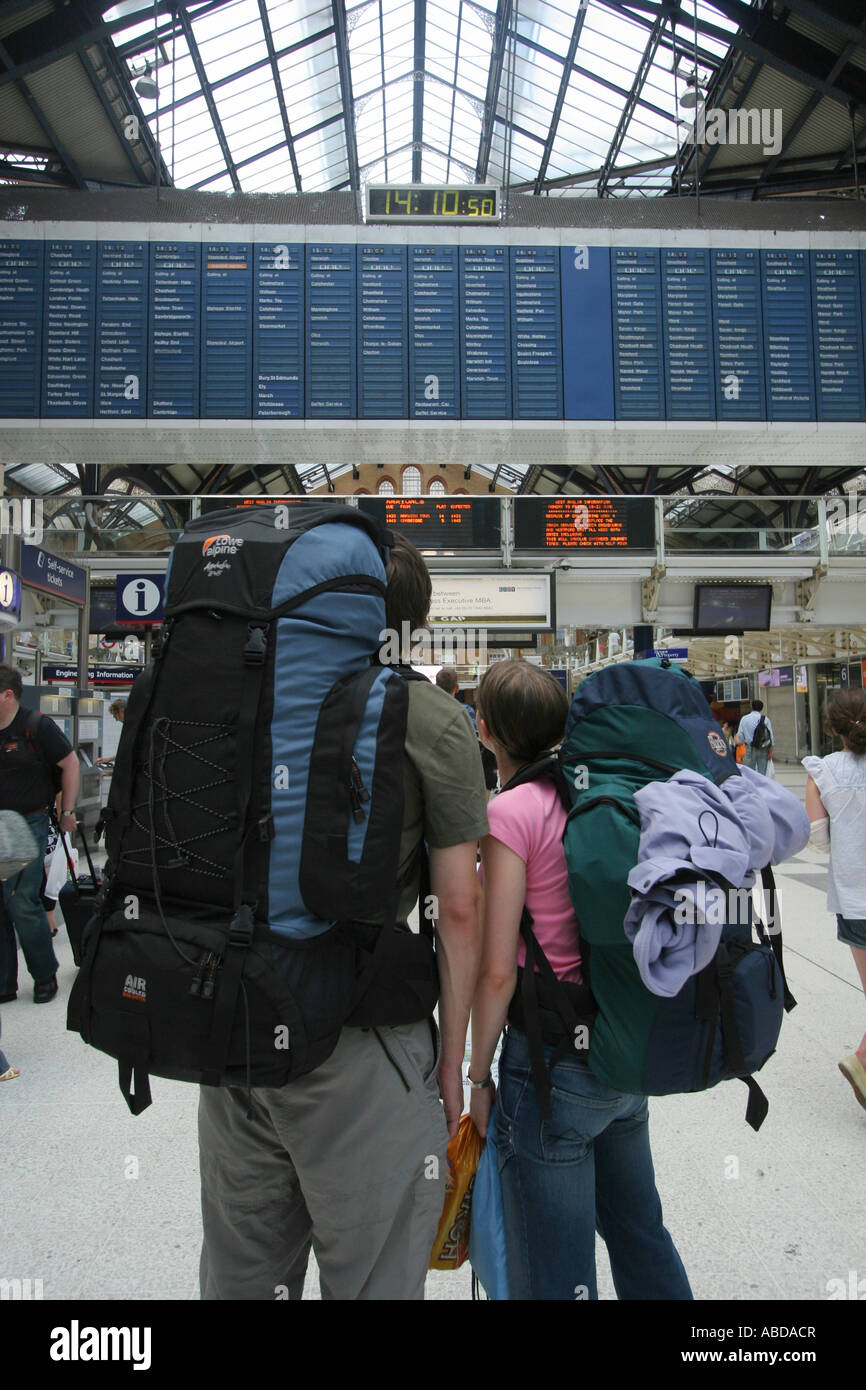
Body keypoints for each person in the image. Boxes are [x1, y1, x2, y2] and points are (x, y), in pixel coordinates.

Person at [197, 533, 488, 1300]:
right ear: (411, 624)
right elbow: (459, 907)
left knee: (243, 1277)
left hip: (236, 1032)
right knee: (372, 1280)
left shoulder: (249, 697)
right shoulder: (431, 716)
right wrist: (453, 1073)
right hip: (359, 1044)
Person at [468, 658, 691, 1301]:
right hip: (621, 1048)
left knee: (557, 1270)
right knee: (640, 1232)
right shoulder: (597, 790)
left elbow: (495, 969)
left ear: (485, 730)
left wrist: (477, 1077)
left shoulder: (511, 812)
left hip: (552, 1067)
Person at [802, 689, 866, 1111]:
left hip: (854, 898)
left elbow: (819, 841)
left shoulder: (821, 772)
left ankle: (862, 1060)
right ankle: (861, 1060)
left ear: (832, 728)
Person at [0, 665, 79, 1004]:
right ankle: (4, 982)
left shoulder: (36, 726)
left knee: (21, 901)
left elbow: (71, 763)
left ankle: (44, 973)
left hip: (27, 823)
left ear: (7, 694)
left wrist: (68, 812)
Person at [436, 667, 498, 796]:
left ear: (436, 686)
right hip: (463, 773)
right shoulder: (465, 711)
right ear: (457, 688)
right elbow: (479, 738)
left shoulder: (426, 711)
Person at [736, 699, 774, 775]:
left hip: (749, 748)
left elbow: (740, 735)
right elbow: (771, 737)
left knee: (749, 773)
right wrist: (770, 752)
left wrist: (743, 743)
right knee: (762, 772)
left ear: (752, 707)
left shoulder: (744, 718)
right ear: (761, 708)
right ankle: (761, 786)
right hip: (763, 748)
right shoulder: (765, 719)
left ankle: (751, 786)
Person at [96, 698, 126, 766]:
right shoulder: (133, 724)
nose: (116, 720)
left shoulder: (132, 726)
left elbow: (128, 751)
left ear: (121, 711)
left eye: (115, 715)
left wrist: (109, 759)